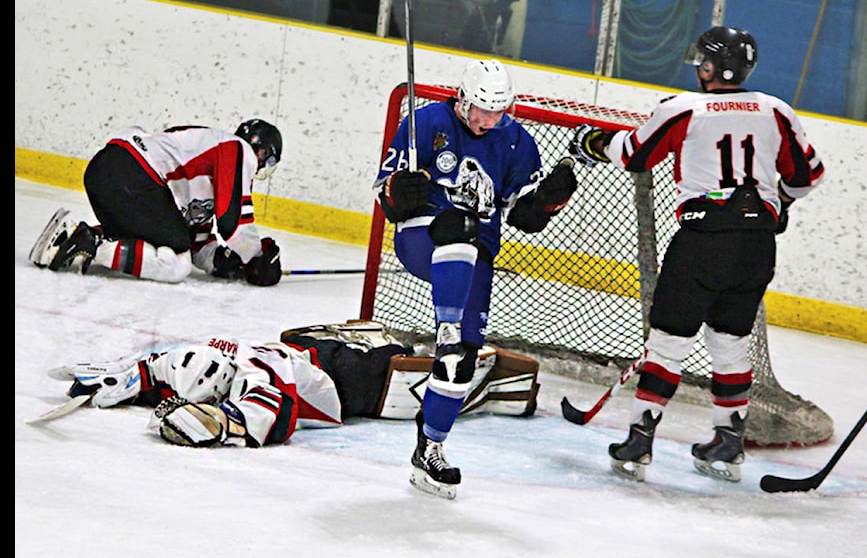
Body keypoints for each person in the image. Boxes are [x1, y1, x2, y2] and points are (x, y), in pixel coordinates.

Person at [569, 26, 825, 483]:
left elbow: (634, 155)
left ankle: (639, 441)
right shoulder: (775, 110)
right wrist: (779, 203)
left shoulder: (683, 107)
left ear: (708, 67)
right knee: (730, 343)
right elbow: (808, 177)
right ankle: (727, 444)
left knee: (668, 342)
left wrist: (594, 142)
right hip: (755, 247)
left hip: (702, 242)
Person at [373, 58, 577, 499]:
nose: (487, 121)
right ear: (461, 99)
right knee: (457, 226)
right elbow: (386, 192)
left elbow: (523, 214)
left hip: (475, 250)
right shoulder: (425, 122)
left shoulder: (517, 141)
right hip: (422, 235)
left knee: (461, 358)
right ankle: (445, 327)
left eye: (497, 112)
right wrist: (398, 194)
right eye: (480, 110)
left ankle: (430, 448)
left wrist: (546, 201)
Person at [46, 321, 541, 448]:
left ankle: (481, 379)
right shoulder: (203, 355)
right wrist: (116, 379)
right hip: (317, 355)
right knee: (361, 351)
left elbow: (269, 417)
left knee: (400, 372)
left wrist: (219, 424)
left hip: (343, 381)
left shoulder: (256, 377)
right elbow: (156, 366)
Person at [29, 119, 284, 286]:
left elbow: (196, 245)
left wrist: (226, 261)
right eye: (268, 161)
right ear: (262, 153)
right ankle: (91, 244)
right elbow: (233, 223)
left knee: (174, 248)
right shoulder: (237, 150)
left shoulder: (207, 172)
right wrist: (258, 257)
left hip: (111, 175)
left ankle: (72, 237)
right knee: (176, 267)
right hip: (132, 173)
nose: (262, 167)